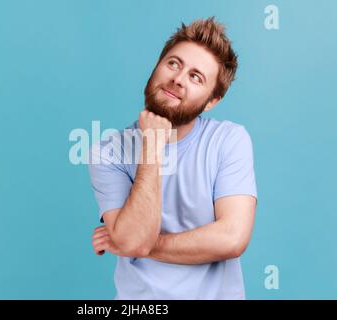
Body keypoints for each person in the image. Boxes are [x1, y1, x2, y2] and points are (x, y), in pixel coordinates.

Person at [88, 17, 257, 300]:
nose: (178, 79)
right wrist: (153, 145)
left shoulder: (229, 140)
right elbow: (131, 240)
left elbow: (232, 238)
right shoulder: (109, 151)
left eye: (195, 77)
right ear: (157, 66)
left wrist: (142, 245)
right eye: (173, 63)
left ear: (212, 100)